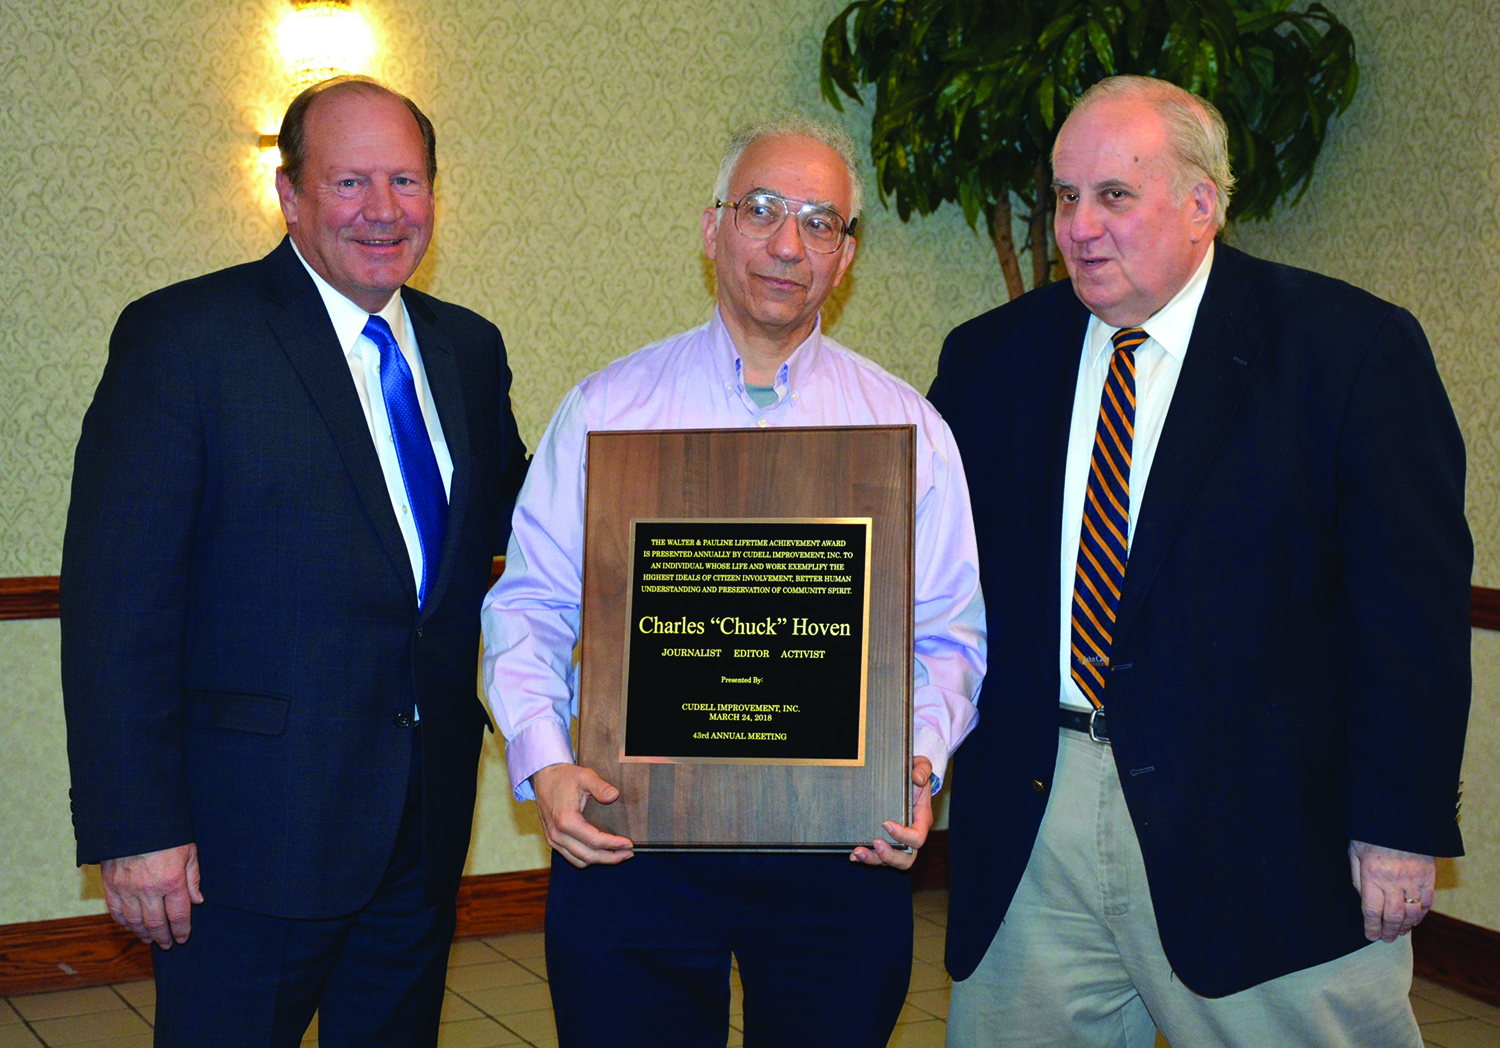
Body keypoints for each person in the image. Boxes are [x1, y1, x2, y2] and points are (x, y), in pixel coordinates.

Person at [928, 74, 1472, 1048]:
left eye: (1114, 195)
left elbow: (1410, 615)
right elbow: (937, 584)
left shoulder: (1346, 350)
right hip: (1035, 820)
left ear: (1201, 203)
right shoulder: (990, 359)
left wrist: (1400, 824)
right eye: (1065, 195)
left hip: (1263, 833)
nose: (1079, 227)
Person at [480, 116, 986, 1047]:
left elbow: (948, 634)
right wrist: (546, 763)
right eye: (761, 210)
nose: (788, 244)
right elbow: (532, 608)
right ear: (712, 227)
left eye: (820, 222)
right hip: (632, 837)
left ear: (846, 257)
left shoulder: (908, 428)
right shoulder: (607, 410)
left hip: (843, 841)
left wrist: (915, 760)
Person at [60, 75, 527, 1047]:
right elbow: (117, 607)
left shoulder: (468, 349)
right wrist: (136, 826)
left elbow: (525, 525)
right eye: (351, 182)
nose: (384, 209)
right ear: (290, 194)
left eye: (406, 180)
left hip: (423, 825)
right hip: (249, 840)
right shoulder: (185, 339)